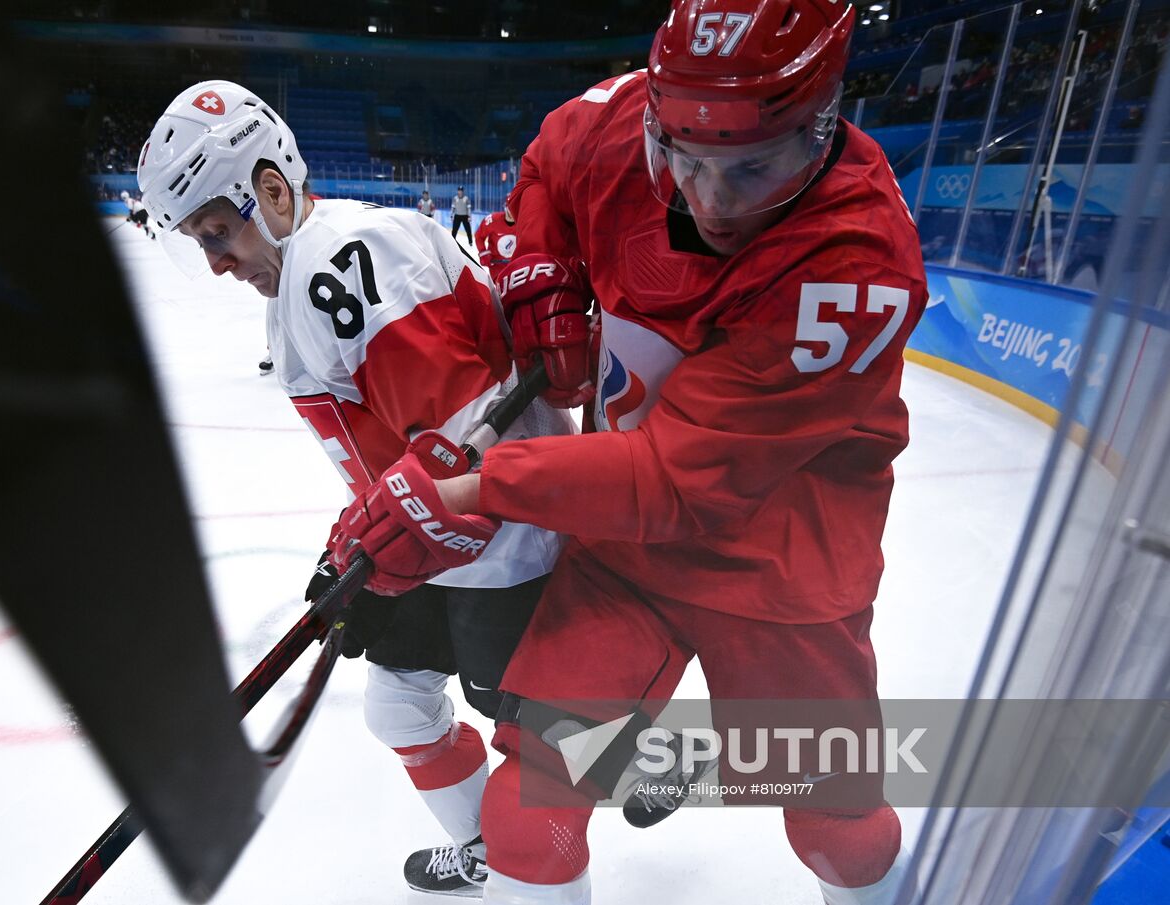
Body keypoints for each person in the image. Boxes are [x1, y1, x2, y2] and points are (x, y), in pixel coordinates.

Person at [326, 1, 927, 903]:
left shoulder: (857, 263)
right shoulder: (615, 126)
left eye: (751, 168)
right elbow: (548, 169)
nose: (706, 200)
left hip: (782, 575)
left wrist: (477, 489)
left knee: (838, 831)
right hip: (624, 558)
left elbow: (675, 483)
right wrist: (544, 265)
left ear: (823, 124)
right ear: (655, 111)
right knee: (529, 818)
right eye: (681, 159)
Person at [135, 80, 574, 898]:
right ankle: (495, 842)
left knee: (549, 763)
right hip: (441, 543)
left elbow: (465, 455)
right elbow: (403, 457)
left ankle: (646, 756)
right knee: (401, 707)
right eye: (199, 242)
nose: (217, 262)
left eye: (219, 232)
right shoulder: (310, 271)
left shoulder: (340, 260)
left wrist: (382, 564)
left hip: (506, 546)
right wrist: (352, 545)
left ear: (271, 189)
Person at [473, 199, 520, 283]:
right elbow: (479, 236)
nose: (512, 212)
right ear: (506, 207)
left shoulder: (524, 222)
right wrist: (483, 252)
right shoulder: (492, 220)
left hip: (516, 264)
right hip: (497, 266)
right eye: (510, 208)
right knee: (501, 288)